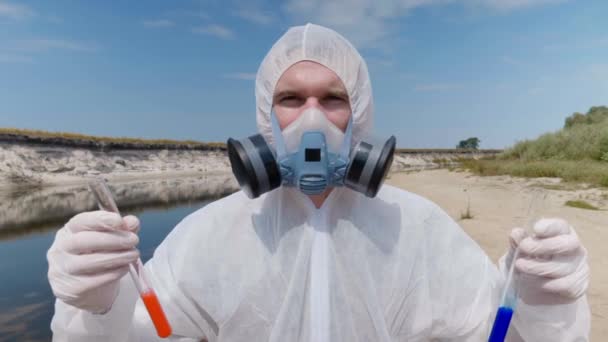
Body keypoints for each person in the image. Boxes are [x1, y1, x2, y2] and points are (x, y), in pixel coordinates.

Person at [46, 23, 590, 341]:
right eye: (291, 99)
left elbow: (495, 333)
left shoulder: (417, 227)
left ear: (361, 118)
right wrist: (98, 305)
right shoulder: (211, 233)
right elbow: (150, 332)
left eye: (332, 99)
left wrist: (540, 302)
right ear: (265, 116)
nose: (312, 119)